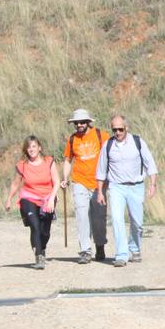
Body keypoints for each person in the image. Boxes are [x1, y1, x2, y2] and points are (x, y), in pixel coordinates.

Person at [95, 115, 159, 268]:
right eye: (114, 129)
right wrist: (99, 192)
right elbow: (101, 170)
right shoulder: (108, 145)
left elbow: (150, 164)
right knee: (117, 219)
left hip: (136, 186)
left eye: (120, 129)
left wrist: (153, 184)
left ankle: (135, 248)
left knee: (137, 223)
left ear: (126, 128)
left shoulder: (138, 142)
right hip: (116, 187)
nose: (117, 132)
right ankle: (121, 255)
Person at [59, 109, 110, 264]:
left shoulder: (102, 136)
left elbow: (111, 156)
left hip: (99, 184)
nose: (79, 125)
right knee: (81, 216)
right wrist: (65, 178)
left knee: (99, 218)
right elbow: (68, 160)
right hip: (79, 181)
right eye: (76, 123)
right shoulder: (73, 139)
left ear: (88, 122)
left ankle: (100, 244)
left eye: (82, 122)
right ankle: (85, 251)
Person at [5, 135, 59, 269]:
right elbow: (15, 184)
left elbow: (56, 182)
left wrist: (52, 198)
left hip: (47, 197)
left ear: (39, 148)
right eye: (29, 147)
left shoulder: (49, 161)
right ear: (26, 150)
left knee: (45, 231)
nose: (31, 149)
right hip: (28, 197)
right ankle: (39, 256)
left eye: (34, 146)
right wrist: (9, 199)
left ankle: (42, 247)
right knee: (34, 225)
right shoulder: (22, 165)